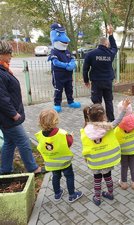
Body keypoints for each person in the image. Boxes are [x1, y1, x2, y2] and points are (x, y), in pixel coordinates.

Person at [0, 40, 45, 175]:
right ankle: (33, 168)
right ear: (1, 54)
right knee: (23, 141)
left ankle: (5, 169)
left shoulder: (3, 69)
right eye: (9, 54)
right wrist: (13, 114)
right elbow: (2, 98)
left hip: (6, 117)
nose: (11, 56)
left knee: (9, 142)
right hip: (8, 117)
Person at [81, 99, 130, 206]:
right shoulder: (109, 127)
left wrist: (86, 158)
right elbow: (118, 120)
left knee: (97, 180)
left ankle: (97, 198)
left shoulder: (85, 130)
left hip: (95, 162)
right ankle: (110, 193)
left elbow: (85, 146)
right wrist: (124, 108)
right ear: (103, 116)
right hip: (107, 161)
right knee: (108, 177)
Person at [35, 109, 82, 202]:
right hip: (65, 162)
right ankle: (72, 195)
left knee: (55, 176)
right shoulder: (62, 133)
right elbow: (69, 143)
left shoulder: (39, 135)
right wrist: (71, 136)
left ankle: (57, 194)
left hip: (52, 163)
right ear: (55, 120)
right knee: (69, 176)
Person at [83, 25, 118, 122]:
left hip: (96, 82)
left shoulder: (90, 54)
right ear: (106, 44)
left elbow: (85, 69)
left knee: (97, 103)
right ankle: (111, 120)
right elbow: (115, 47)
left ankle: (98, 121)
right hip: (107, 81)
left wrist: (86, 81)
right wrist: (111, 35)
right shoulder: (110, 53)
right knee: (109, 101)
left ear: (99, 44)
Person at [48, 23, 81, 113]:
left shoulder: (67, 51)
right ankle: (57, 104)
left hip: (68, 75)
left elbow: (72, 58)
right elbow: (55, 62)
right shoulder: (54, 51)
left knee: (69, 88)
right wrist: (66, 66)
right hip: (58, 75)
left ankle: (71, 101)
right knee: (58, 89)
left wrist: (73, 63)